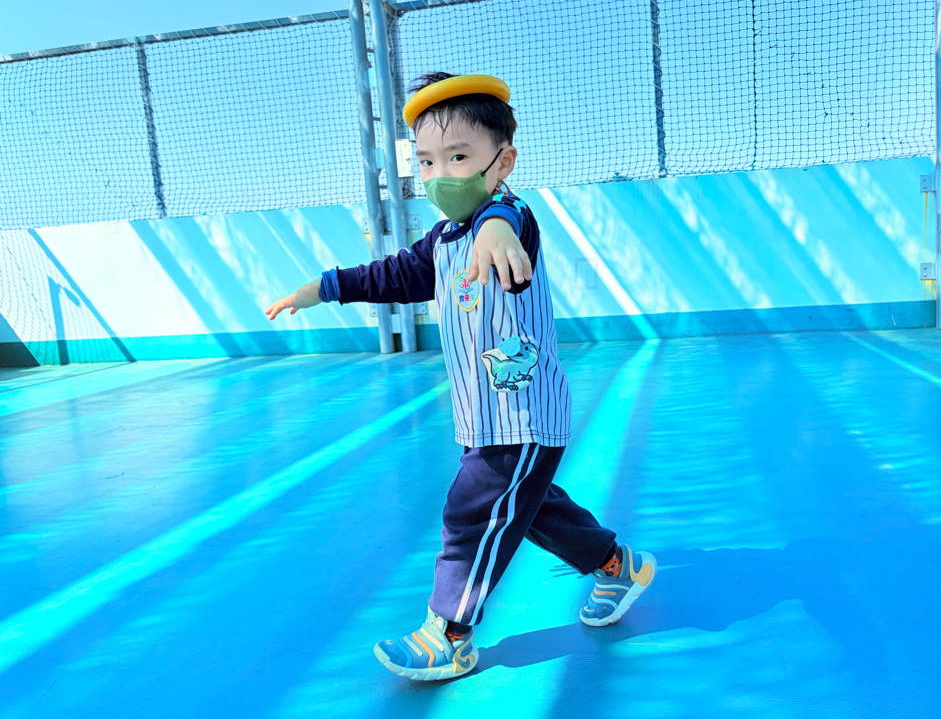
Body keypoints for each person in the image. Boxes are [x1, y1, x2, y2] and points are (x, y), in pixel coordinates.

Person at [265, 72, 656, 681]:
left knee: (470, 515)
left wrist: (495, 228)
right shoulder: (444, 239)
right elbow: (393, 275)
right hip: (483, 413)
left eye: (458, 157)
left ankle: (448, 634)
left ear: (503, 162)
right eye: (426, 162)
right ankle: (618, 566)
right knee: (531, 509)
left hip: (524, 413)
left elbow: (504, 218)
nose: (440, 175)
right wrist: (324, 287)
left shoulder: (510, 216)